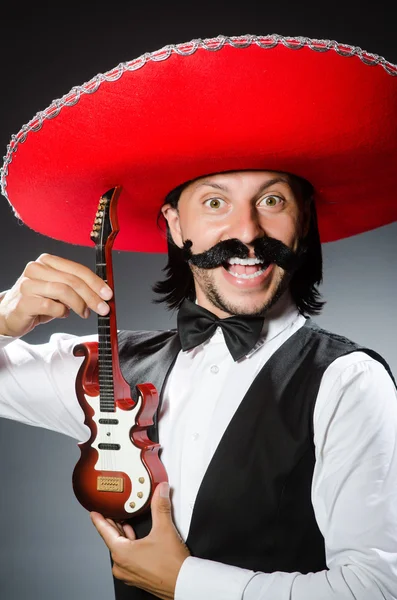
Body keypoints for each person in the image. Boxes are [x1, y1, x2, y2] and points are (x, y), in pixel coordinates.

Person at [1, 33, 397, 600]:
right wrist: (4, 317)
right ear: (175, 225)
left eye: (272, 200)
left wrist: (185, 582)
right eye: (215, 203)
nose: (247, 233)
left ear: (303, 223)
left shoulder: (347, 381)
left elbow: (377, 590)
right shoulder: (106, 376)